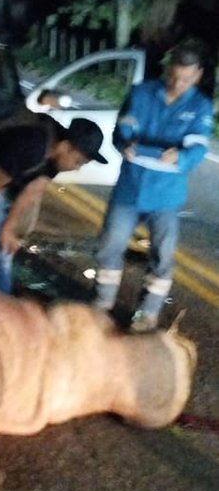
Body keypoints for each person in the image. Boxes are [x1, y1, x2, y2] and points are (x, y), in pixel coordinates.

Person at [94, 39, 214, 331]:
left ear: (197, 75)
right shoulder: (141, 92)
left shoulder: (200, 106)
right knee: (110, 245)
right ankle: (101, 306)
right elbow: (121, 131)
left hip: (166, 195)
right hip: (130, 188)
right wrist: (125, 142)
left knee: (162, 256)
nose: (178, 83)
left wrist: (182, 155)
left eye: (186, 78)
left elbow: (197, 147)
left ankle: (146, 314)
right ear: (167, 69)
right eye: (174, 75)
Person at [0, 116, 107, 292]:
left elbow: (32, 190)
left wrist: (8, 228)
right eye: (78, 161)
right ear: (65, 146)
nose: (77, 168)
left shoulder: (56, 158)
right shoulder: (32, 146)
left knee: (3, 248)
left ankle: (1, 300)